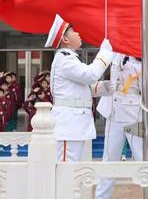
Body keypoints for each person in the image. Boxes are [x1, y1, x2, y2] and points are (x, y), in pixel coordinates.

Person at [46, 14, 113, 163]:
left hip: (74, 125)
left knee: (71, 171)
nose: (78, 33)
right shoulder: (65, 59)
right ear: (65, 40)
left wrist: (104, 88)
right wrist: (105, 54)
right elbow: (90, 75)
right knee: (65, 171)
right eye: (74, 31)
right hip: (68, 126)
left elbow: (84, 87)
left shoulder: (69, 58)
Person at [95, 53, 142, 199]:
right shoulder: (115, 55)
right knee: (108, 160)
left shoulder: (144, 56)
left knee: (142, 158)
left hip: (134, 114)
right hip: (113, 113)